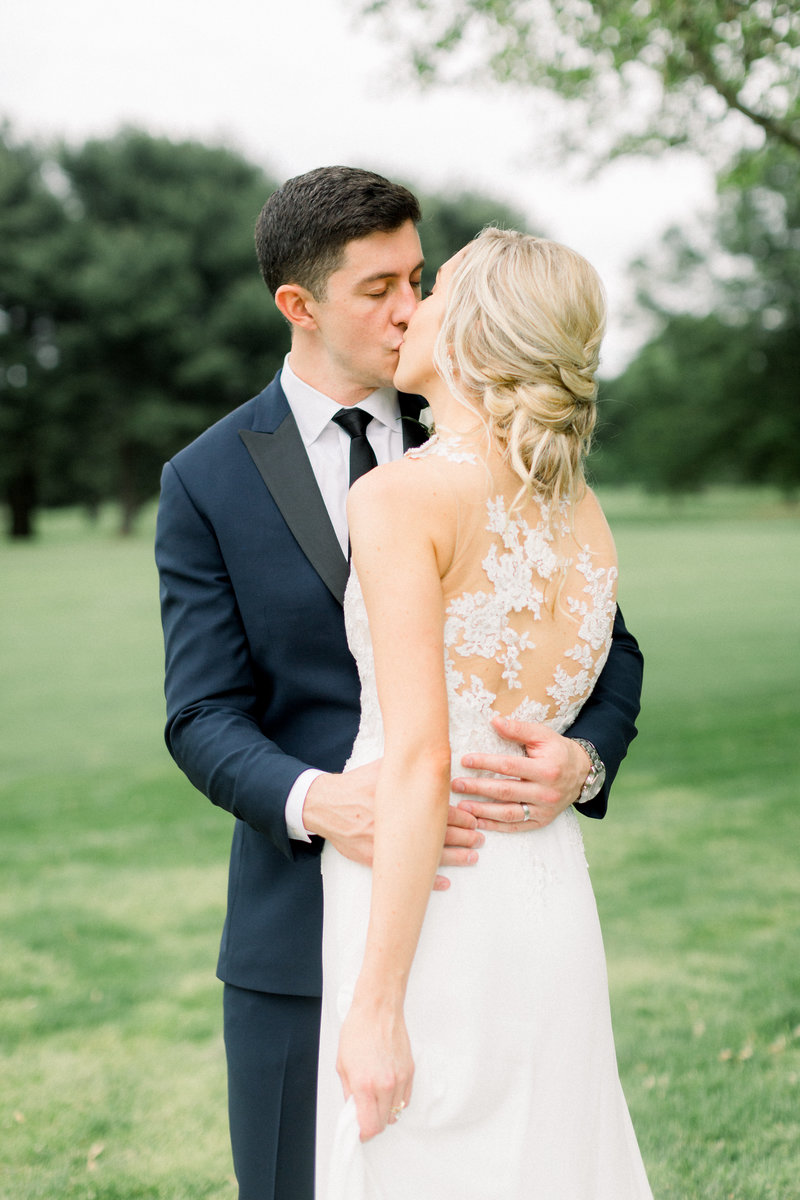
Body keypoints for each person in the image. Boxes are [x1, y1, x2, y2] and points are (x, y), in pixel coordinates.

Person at [155, 168, 643, 1200]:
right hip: (298, 922)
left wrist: (580, 757)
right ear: (300, 304)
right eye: (378, 288)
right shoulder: (204, 479)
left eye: (419, 277)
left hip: (493, 885)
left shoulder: (491, 432)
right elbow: (200, 711)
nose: (411, 307)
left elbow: (607, 644)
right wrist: (320, 801)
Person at [316, 230, 653, 1198]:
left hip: (431, 900)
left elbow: (420, 762)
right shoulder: (577, 506)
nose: (406, 309)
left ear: (466, 333)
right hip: (545, 895)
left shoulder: (400, 495)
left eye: (432, 291)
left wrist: (376, 1008)